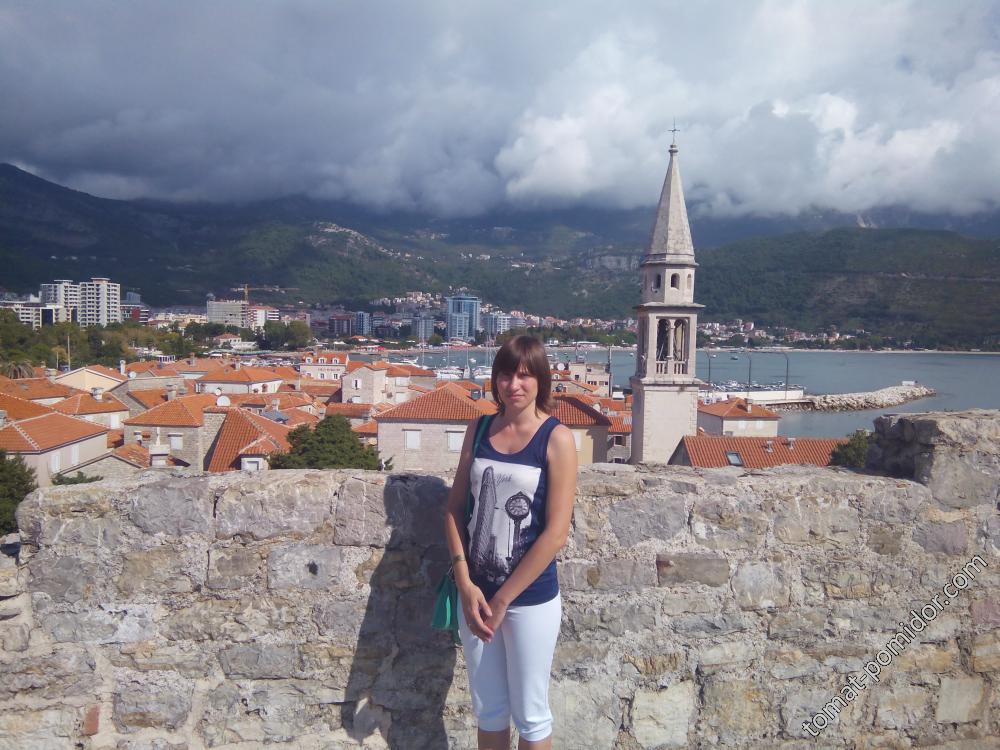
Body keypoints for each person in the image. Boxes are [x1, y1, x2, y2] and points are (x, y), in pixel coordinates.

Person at [443, 335, 578, 750]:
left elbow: (556, 533)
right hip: (476, 597)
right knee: (489, 710)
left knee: (531, 716)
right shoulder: (479, 429)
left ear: (541, 380)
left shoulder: (556, 438)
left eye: (524, 375)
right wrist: (465, 585)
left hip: (529, 599)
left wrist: (502, 600)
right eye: (505, 375)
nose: (513, 385)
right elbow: (454, 509)